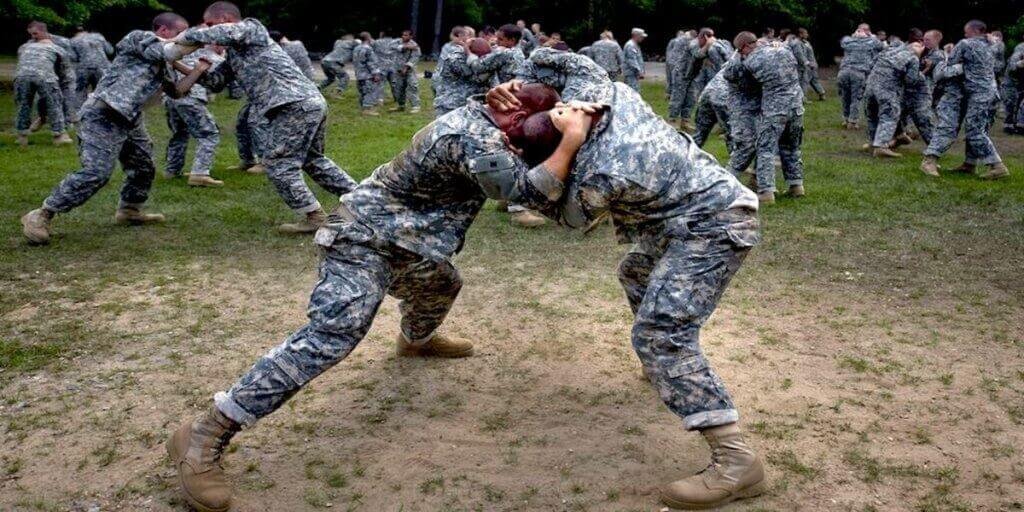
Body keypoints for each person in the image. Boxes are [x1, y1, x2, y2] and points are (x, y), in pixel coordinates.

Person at [166, 83, 568, 512]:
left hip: (413, 246)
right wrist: (572, 141)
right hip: (364, 239)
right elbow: (527, 193)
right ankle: (207, 431)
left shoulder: (495, 121)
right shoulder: (470, 137)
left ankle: (415, 340)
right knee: (334, 334)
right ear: (514, 116)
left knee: (442, 283)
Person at [497, 47, 766, 510]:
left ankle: (738, 463)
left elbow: (568, 217)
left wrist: (559, 151)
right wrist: (518, 84)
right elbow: (565, 60)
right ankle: (667, 373)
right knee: (636, 271)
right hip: (693, 212)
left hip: (715, 224)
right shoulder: (606, 93)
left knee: (662, 334)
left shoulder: (601, 174)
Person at [20, 12, 204, 245]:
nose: (183, 38)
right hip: (102, 114)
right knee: (97, 172)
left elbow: (177, 91)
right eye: (180, 33)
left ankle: (129, 210)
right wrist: (202, 36)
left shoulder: (162, 64)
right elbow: (169, 51)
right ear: (164, 31)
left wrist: (199, 69)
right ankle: (42, 214)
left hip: (130, 119)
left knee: (144, 167)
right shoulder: (139, 39)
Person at [176, 1, 358, 233]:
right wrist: (179, 63)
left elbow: (224, 33)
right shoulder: (237, 53)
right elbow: (216, 82)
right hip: (303, 103)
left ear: (225, 19)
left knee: (278, 163)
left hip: (294, 104)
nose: (209, 33)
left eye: (211, 24)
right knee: (313, 160)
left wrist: (185, 37)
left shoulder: (252, 28)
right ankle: (365, 200)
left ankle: (314, 216)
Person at [725, 32, 805, 205]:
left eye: (741, 50)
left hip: (775, 109)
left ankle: (766, 192)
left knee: (765, 149)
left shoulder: (750, 60)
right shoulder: (783, 48)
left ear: (745, 47)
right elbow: (797, 59)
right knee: (791, 147)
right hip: (797, 106)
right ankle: (796, 186)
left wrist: (737, 55)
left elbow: (730, 73)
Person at [921, 20, 1008, 179]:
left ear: (973, 31)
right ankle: (969, 164)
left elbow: (946, 68)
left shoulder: (965, 44)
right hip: (992, 93)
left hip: (977, 95)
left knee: (974, 130)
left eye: (966, 32)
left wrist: (948, 54)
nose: (965, 34)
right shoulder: (995, 46)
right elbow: (998, 65)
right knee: (979, 129)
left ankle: (997, 165)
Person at [163, 45, 225, 187]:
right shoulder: (210, 56)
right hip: (191, 98)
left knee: (179, 134)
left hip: (171, 98)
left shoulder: (177, 50)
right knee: (209, 134)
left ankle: (172, 170)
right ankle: (200, 174)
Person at [14, 21, 74, 147]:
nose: (33, 37)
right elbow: (66, 73)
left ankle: (21, 137)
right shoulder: (56, 48)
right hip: (45, 77)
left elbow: (23, 63)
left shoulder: (24, 47)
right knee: (54, 104)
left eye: (35, 33)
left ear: (43, 32)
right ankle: (59, 136)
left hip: (21, 77)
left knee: (23, 105)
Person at [862, 42, 926, 158]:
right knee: (889, 116)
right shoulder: (912, 58)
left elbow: (871, 64)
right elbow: (911, 81)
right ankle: (881, 146)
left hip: (870, 86)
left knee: (873, 116)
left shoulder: (889, 50)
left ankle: (873, 143)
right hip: (887, 90)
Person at [433, 26, 492, 116]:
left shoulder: (468, 55)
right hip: (450, 104)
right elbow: (476, 78)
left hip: (466, 104)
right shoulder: (455, 57)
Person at [837, 24, 885, 129]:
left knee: (845, 96)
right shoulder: (870, 42)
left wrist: (853, 36)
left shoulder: (847, 41)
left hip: (843, 72)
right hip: (858, 73)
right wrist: (871, 36)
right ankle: (853, 121)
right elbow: (881, 46)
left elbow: (843, 41)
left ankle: (846, 118)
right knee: (856, 97)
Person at [69, 26, 114, 112]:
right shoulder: (98, 36)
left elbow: (73, 58)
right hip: (102, 67)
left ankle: (80, 114)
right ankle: (101, 112)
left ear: (73, 33)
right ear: (86, 31)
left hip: (83, 69)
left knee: (80, 91)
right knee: (102, 91)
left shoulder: (73, 41)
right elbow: (110, 51)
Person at [667, 30, 697, 130]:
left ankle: (685, 121)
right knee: (678, 97)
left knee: (690, 98)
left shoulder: (693, 42)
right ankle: (672, 120)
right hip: (681, 73)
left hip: (691, 74)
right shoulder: (685, 40)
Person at [389, 30, 422, 113]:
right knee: (398, 87)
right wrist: (405, 47)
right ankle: (401, 105)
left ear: (411, 36)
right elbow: (390, 47)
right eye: (403, 35)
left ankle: (416, 106)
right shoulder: (397, 42)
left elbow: (415, 58)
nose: (404, 36)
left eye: (406, 35)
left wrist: (406, 68)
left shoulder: (414, 45)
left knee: (412, 86)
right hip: (397, 69)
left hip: (409, 70)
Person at [353, 31, 384, 115]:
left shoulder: (356, 48)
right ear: (368, 38)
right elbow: (371, 62)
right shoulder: (368, 49)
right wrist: (376, 74)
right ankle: (367, 109)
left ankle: (362, 107)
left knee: (362, 91)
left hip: (359, 74)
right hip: (367, 75)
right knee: (369, 91)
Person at [797, 28, 826, 101]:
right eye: (805, 33)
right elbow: (801, 55)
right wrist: (807, 63)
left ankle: (821, 93)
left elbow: (810, 54)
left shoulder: (806, 42)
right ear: (800, 34)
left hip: (812, 64)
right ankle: (804, 97)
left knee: (813, 79)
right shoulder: (798, 43)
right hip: (807, 65)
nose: (807, 35)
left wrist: (813, 63)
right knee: (805, 81)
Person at [1002, 41, 1024, 133]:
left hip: (1020, 81)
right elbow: (1012, 67)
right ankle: (1010, 125)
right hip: (1012, 81)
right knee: (1010, 103)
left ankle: (1019, 124)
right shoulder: (1020, 49)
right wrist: (1020, 64)